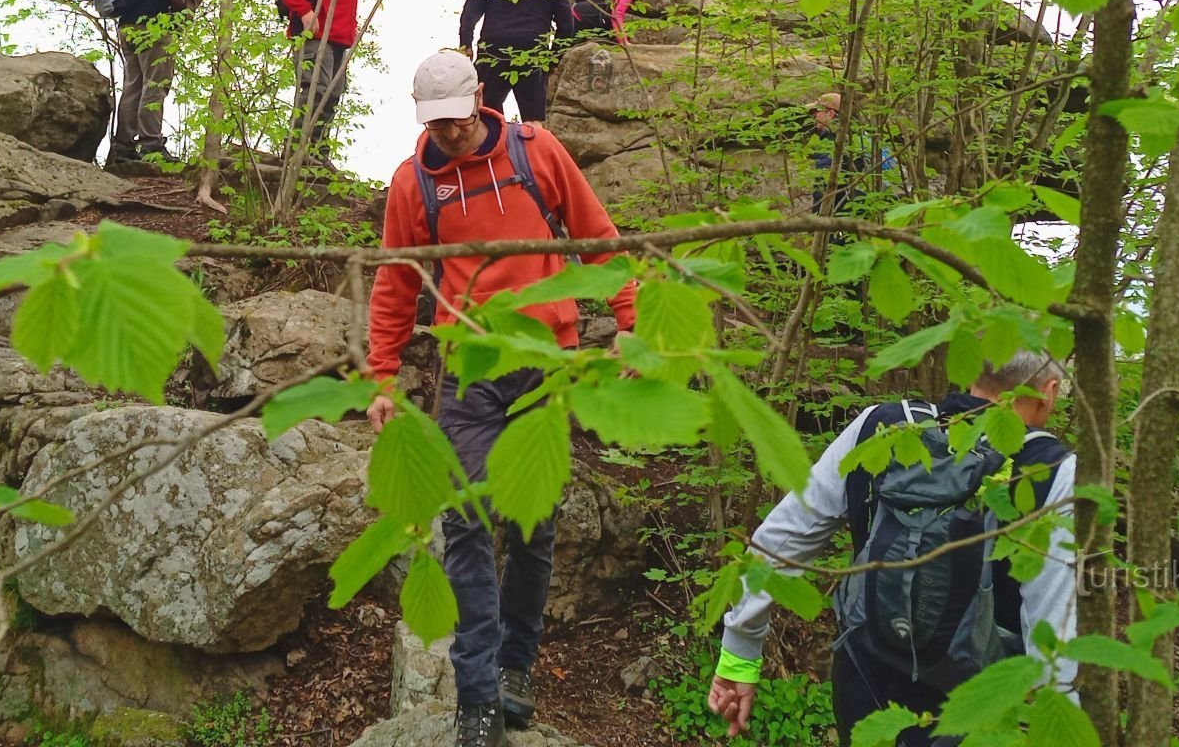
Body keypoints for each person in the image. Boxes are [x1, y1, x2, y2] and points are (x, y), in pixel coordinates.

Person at [366, 51, 638, 747]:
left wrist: (634, 328)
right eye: (435, 124)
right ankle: (477, 697)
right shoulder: (412, 184)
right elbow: (397, 285)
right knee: (464, 525)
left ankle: (517, 669)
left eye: (457, 120)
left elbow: (598, 238)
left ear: (480, 98)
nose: (449, 135)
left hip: (548, 363)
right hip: (470, 372)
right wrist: (382, 378)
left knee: (533, 529)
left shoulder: (536, 152)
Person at [708, 351, 1077, 745]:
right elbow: (1056, 644)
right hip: (980, 716)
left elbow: (783, 538)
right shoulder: (1053, 473)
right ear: (1050, 392)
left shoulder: (881, 426)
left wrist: (739, 652)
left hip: (865, 689)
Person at [100, 0, 209, 168]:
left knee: (134, 85)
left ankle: (123, 147)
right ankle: (151, 145)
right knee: (156, 85)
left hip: (128, 28)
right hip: (153, 29)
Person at [274, 0, 366, 161]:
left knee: (332, 95)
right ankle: (297, 151)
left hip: (338, 40)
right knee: (316, 91)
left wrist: (352, 27)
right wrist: (305, 12)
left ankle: (317, 153)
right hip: (315, 37)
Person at [458, 0, 573, 122]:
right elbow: (567, 25)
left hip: (493, 49)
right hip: (533, 50)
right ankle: (534, 147)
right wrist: (553, 60)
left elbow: (470, 11)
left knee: (486, 113)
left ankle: (495, 146)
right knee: (534, 119)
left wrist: (466, 44)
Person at [808, 91, 899, 214]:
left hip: (848, 216)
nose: (813, 116)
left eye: (816, 112)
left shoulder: (833, 143)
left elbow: (824, 185)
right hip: (879, 211)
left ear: (830, 114)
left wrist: (817, 218)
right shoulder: (866, 139)